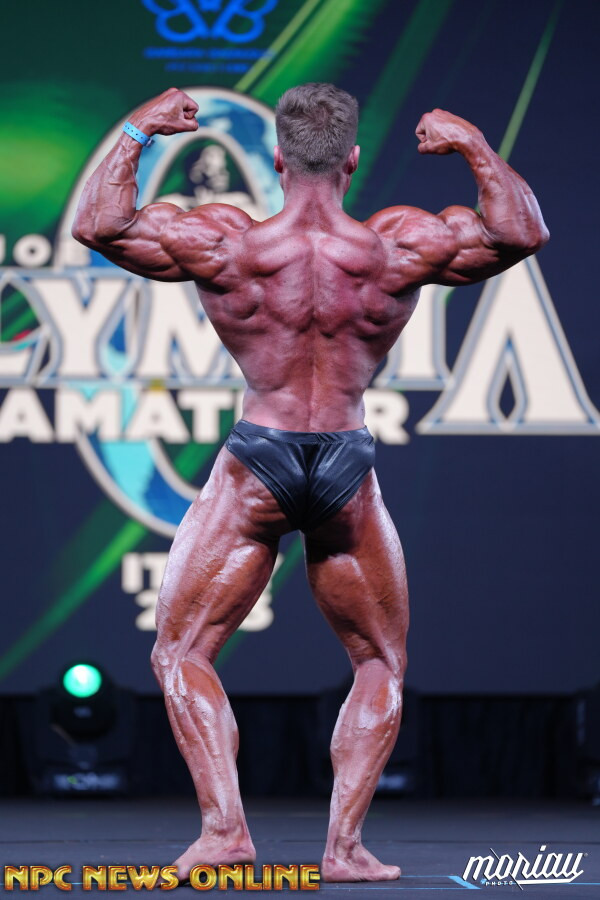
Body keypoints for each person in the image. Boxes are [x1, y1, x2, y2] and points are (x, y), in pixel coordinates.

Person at [72, 83, 549, 882]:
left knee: (182, 651)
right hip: (344, 464)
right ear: (352, 160)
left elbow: (99, 224)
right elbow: (521, 231)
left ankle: (224, 832)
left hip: (258, 459)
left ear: (276, 159)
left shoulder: (228, 245)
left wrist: (138, 129)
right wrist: (470, 142)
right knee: (379, 663)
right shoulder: (395, 247)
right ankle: (345, 848)